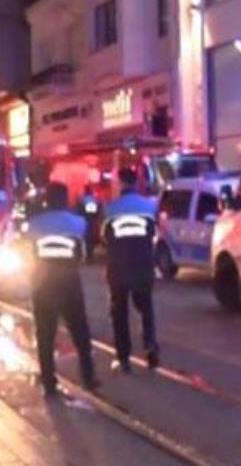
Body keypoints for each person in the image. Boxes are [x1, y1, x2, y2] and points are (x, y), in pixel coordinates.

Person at [25, 182, 99, 398]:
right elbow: (82, 254)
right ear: (65, 199)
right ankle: (88, 376)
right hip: (69, 283)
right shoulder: (78, 223)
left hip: (42, 284)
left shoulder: (34, 225)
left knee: (45, 335)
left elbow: (28, 251)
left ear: (46, 200)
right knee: (80, 331)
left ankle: (49, 382)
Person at [102, 167, 159, 372]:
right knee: (146, 309)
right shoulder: (149, 206)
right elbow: (153, 232)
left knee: (120, 313)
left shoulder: (110, 209)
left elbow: (105, 238)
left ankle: (124, 357)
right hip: (143, 265)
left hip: (119, 268)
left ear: (121, 184)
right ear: (136, 183)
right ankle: (150, 348)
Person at [76, 185, 101, 262]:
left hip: (84, 220)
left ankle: (86, 256)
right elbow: (98, 210)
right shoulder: (95, 200)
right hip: (93, 221)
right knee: (91, 239)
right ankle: (91, 256)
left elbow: (78, 211)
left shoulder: (82, 200)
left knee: (86, 239)